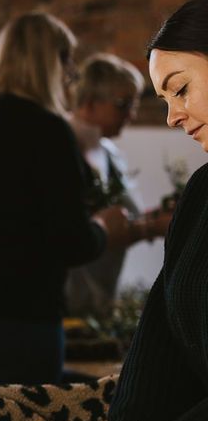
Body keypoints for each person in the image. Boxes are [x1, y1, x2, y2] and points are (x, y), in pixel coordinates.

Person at [0, 12, 131, 385]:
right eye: (67, 62)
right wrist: (104, 227)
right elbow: (71, 242)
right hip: (17, 314)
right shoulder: (47, 131)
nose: (71, 74)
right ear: (50, 63)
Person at [91, 0, 208, 421]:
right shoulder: (204, 191)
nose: (172, 116)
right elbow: (161, 321)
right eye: (164, 98)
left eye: (180, 88)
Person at [66, 53, 171, 316]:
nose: (132, 115)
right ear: (89, 102)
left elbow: (121, 219)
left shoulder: (109, 151)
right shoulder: (63, 151)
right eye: (123, 104)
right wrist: (148, 228)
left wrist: (162, 217)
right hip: (66, 298)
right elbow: (73, 232)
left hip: (100, 295)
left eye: (134, 104)